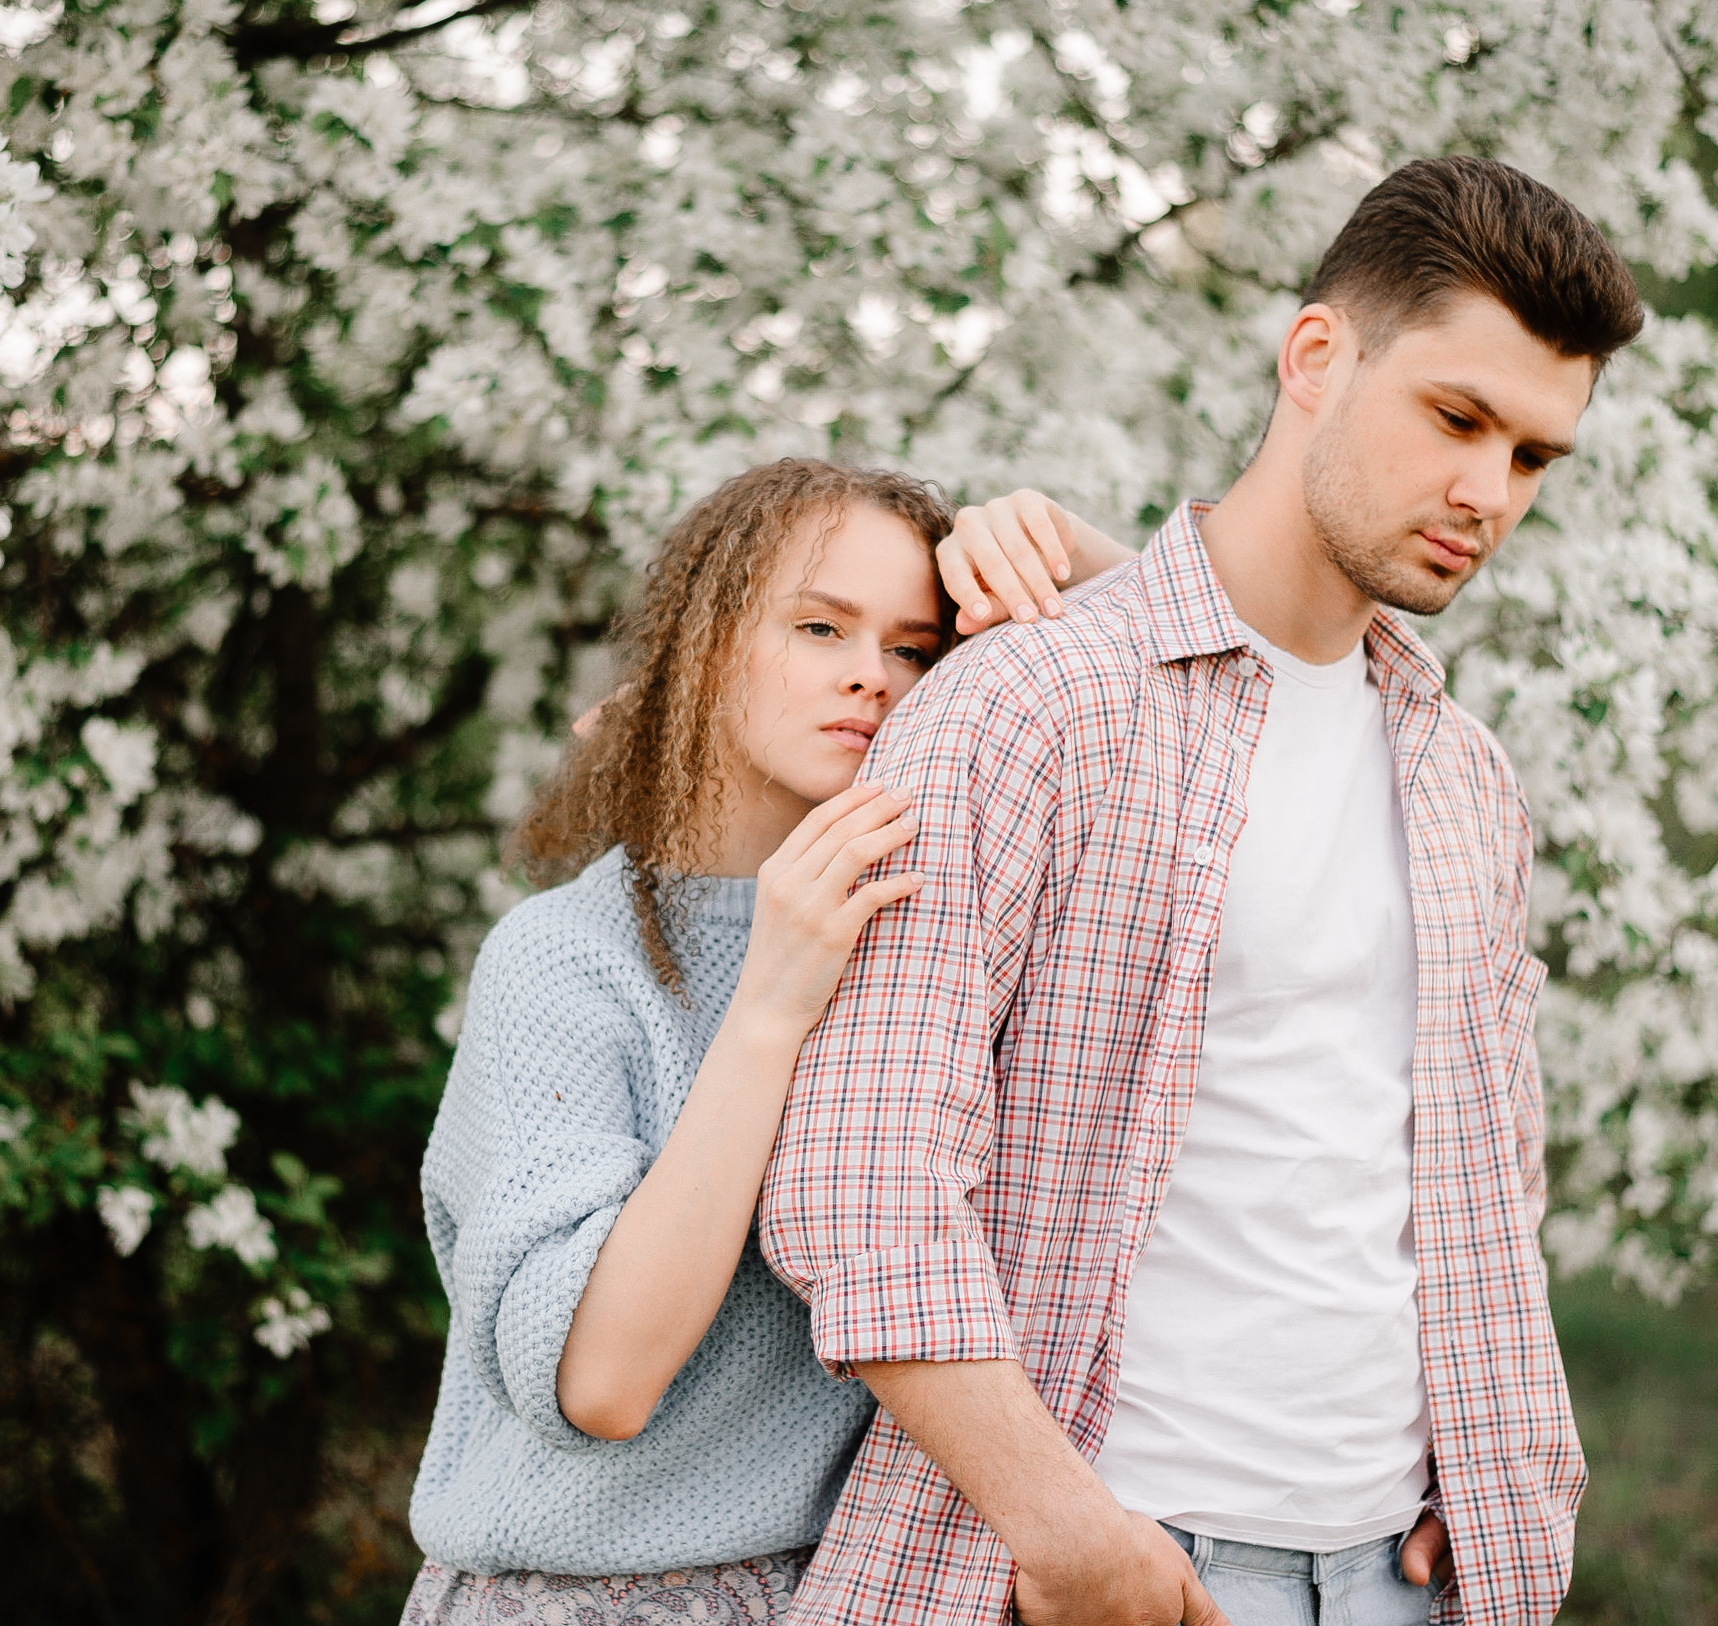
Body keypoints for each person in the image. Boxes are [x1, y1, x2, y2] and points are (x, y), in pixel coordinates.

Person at [759, 155, 1646, 1626]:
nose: (1485, 493)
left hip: (1405, 1576)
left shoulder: (1463, 780)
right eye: (1454, 418)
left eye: (1532, 457)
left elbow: (1487, 1173)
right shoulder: (1031, 704)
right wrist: (1069, 1533)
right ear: (1314, 356)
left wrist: (1492, 1468)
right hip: (1101, 1564)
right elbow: (862, 1175)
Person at [399, 459, 1132, 1625]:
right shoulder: (565, 958)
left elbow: (1199, 750)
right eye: (818, 627)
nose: (869, 674)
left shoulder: (933, 939)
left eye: (911, 648)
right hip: (580, 1599)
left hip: (861, 1592)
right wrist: (768, 1008)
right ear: (701, 647)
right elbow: (601, 1381)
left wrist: (1081, 565)